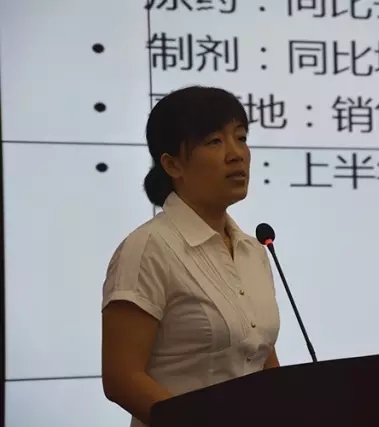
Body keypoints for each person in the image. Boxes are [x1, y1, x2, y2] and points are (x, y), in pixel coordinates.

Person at [100, 86, 281, 427]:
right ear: (172, 164)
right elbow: (122, 379)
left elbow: (259, 356)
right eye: (214, 141)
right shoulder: (148, 249)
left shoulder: (253, 250)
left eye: (241, 138)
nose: (236, 154)